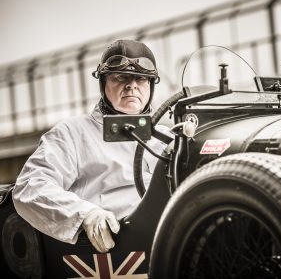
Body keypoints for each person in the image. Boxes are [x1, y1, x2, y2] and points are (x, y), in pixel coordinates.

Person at [12, 40, 166, 253]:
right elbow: (30, 187)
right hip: (111, 256)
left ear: (151, 85)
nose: (132, 85)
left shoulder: (170, 138)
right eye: (121, 77)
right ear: (103, 83)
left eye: (141, 78)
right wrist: (83, 214)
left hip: (169, 246)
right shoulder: (73, 133)